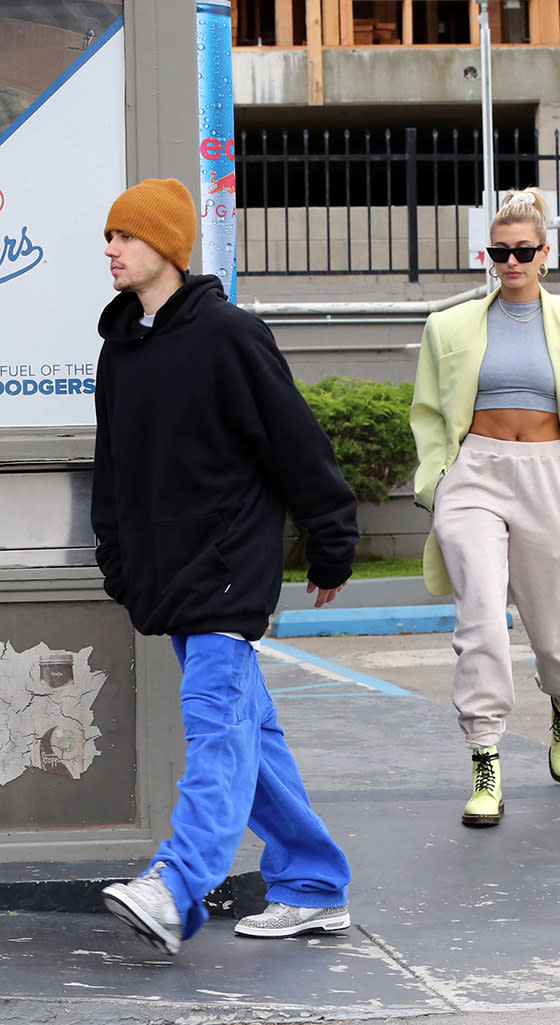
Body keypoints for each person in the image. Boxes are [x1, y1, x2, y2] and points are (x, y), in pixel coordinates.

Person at [91, 177, 359, 955]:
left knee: (216, 727)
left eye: (125, 237)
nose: (110, 250)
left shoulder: (231, 335)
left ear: (166, 248)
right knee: (250, 734)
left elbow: (297, 447)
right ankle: (312, 881)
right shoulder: (120, 348)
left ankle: (176, 886)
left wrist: (331, 538)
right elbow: (116, 469)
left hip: (226, 572)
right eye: (108, 237)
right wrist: (119, 558)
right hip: (170, 578)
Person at [410, 187, 560, 828]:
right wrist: (439, 482)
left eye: (523, 250)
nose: (511, 261)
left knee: (553, 629)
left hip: (551, 472)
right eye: (500, 251)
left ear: (545, 253)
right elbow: (428, 413)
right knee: (481, 619)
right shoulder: (449, 326)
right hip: (475, 475)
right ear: (488, 253)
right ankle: (485, 759)